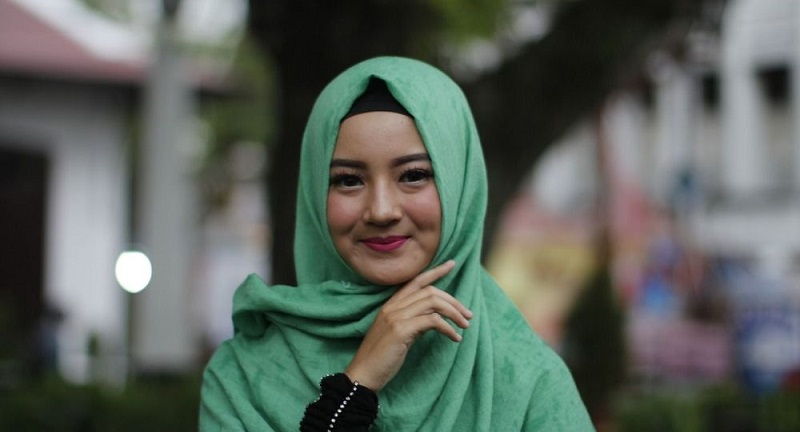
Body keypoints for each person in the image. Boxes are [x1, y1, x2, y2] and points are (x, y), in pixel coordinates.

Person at [199, 56, 593, 431]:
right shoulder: (242, 379)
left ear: (459, 187)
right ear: (316, 194)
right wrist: (354, 388)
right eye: (348, 180)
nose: (382, 210)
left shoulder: (527, 381)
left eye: (413, 175)